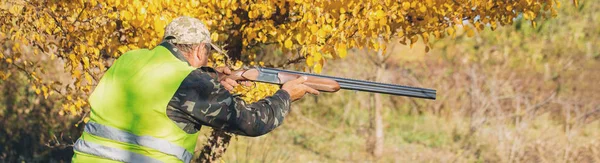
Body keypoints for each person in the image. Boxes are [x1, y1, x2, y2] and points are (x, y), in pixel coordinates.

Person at [71, 16, 319, 163]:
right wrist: (286, 95)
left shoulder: (129, 59)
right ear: (201, 50)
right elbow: (252, 122)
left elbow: (157, 86)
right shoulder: (191, 83)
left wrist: (211, 78)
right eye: (208, 52)